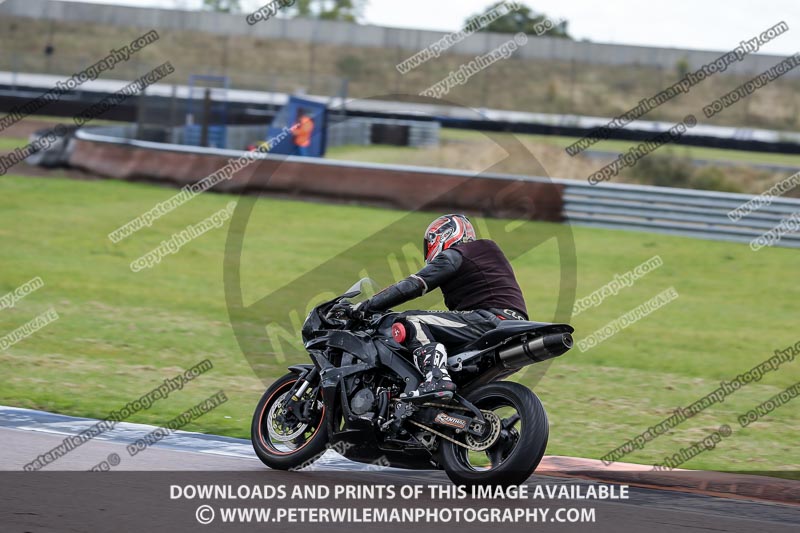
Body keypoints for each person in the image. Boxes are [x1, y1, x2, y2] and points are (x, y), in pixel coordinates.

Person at [348, 214, 528, 401]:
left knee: (409, 321)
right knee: (463, 391)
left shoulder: (458, 254)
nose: (428, 249)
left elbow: (413, 285)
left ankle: (436, 378)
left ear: (444, 234)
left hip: (488, 319)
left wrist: (365, 306)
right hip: (512, 325)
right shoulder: (485, 254)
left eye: (429, 243)